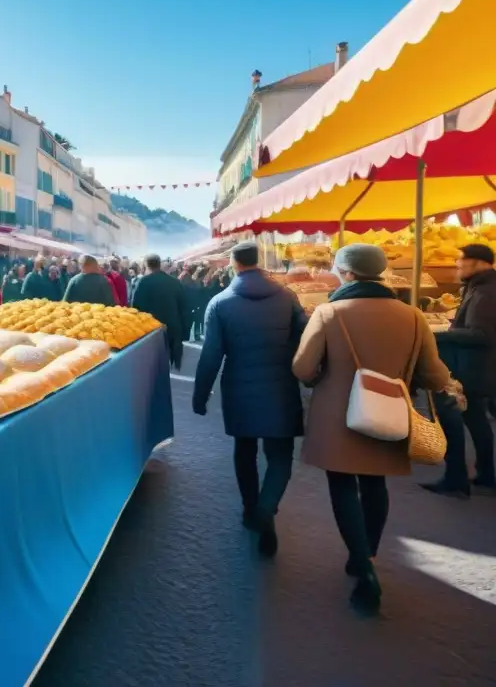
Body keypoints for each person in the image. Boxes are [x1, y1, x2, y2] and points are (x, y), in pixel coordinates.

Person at [292, 244, 450, 612]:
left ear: (346, 272)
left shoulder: (330, 313)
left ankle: (360, 561)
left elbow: (302, 368)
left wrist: (322, 379)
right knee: (375, 483)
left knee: (343, 484)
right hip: (389, 411)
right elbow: (434, 373)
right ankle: (370, 556)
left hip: (338, 415)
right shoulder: (413, 316)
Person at [192, 242, 307, 558]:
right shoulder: (287, 297)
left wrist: (200, 396)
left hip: (240, 388)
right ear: (258, 262)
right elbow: (306, 338)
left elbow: (211, 354)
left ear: (234, 263)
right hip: (282, 387)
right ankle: (267, 509)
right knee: (280, 455)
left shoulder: (220, 302)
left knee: (244, 450)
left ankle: (250, 508)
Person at [426, 243, 496, 496]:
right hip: (478, 366)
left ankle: (457, 479)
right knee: (475, 419)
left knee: (456, 417)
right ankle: (486, 474)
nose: (458, 266)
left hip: (474, 368)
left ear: (479, 263)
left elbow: (482, 334)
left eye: (462, 261)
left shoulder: (485, 292)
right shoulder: (479, 287)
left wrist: (443, 334)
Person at [131, 254, 189, 369]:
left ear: (146, 265)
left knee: (154, 365)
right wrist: (184, 331)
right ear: (160, 264)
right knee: (167, 361)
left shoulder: (143, 282)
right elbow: (184, 307)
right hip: (173, 326)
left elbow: (136, 308)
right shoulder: (174, 282)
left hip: (151, 329)